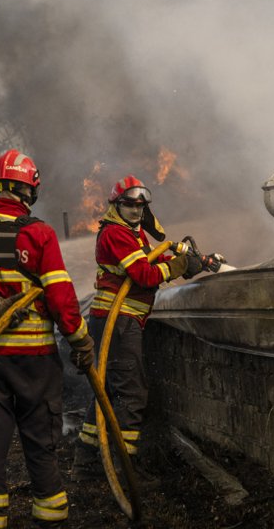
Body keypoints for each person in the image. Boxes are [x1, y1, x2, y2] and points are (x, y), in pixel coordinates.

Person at [0, 149, 96, 529]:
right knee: (40, 442)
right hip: (33, 361)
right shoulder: (38, 234)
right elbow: (61, 298)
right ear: (28, 190)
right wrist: (81, 341)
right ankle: (51, 519)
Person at [73, 175, 203, 478]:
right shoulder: (117, 234)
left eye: (140, 205)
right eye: (129, 204)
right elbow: (144, 274)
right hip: (119, 322)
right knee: (132, 393)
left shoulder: (132, 233)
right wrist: (178, 267)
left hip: (116, 321)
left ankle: (86, 461)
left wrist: (197, 261)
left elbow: (151, 261)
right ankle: (124, 468)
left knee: (105, 391)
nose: (135, 210)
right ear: (116, 205)